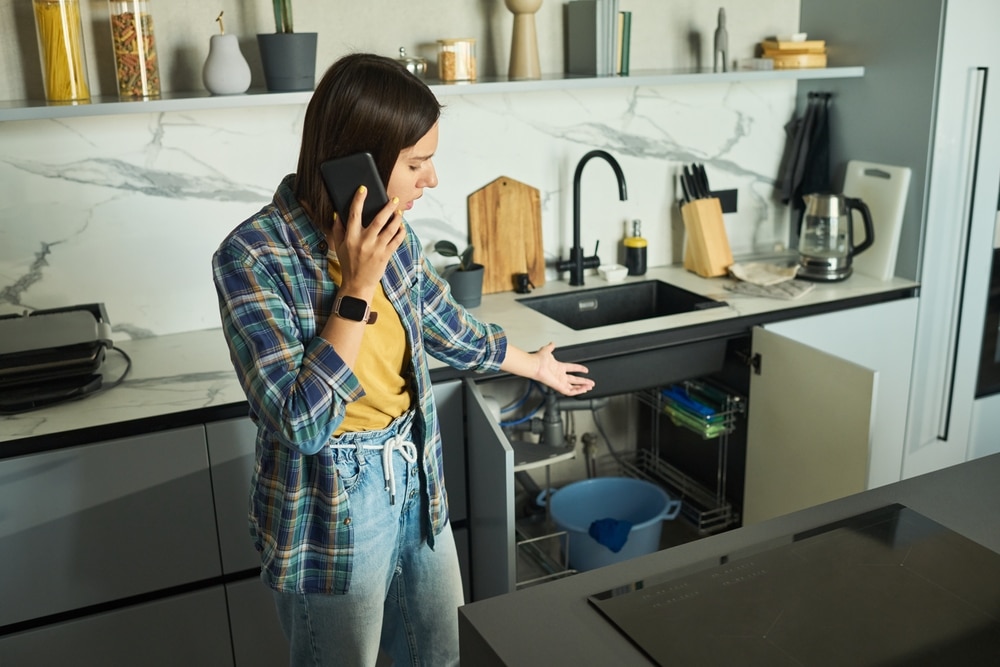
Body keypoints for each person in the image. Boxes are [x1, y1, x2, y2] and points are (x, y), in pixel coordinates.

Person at [211, 52, 595, 667]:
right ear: (354, 161)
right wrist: (357, 287)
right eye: (416, 163)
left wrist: (533, 364)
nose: (432, 179)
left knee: (440, 657)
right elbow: (302, 423)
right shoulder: (254, 256)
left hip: (415, 476)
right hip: (332, 502)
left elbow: (446, 326)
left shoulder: (397, 235)